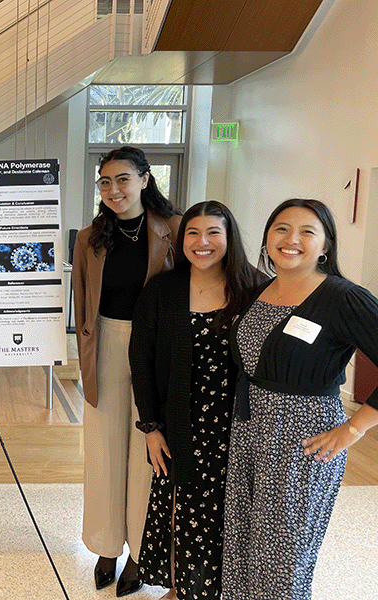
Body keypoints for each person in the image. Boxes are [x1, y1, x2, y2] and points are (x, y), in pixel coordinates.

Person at [221, 198, 378, 600]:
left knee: (283, 557)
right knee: (242, 548)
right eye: (281, 229)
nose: (292, 240)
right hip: (250, 433)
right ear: (267, 238)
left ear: (325, 246)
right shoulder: (260, 290)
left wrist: (355, 429)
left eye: (307, 232)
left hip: (303, 441)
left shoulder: (341, 297)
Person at [129, 201, 262, 600]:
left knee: (229, 511)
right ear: (181, 238)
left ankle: (218, 589)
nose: (202, 243)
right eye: (192, 233)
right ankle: (182, 586)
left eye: (213, 233)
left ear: (229, 237)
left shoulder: (255, 288)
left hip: (238, 425)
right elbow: (141, 359)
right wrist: (150, 427)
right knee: (181, 508)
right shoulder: (163, 289)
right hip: (179, 421)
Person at [73, 146, 182, 596]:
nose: (113, 190)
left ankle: (141, 553)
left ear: (144, 179)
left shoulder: (174, 229)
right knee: (103, 451)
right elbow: (82, 296)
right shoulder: (89, 237)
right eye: (104, 182)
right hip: (105, 347)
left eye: (122, 179)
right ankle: (105, 548)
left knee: (147, 454)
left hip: (157, 348)